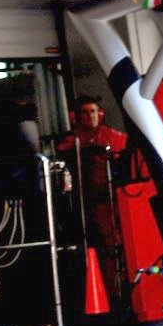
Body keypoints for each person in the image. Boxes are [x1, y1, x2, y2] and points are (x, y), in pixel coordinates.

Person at [56, 95, 129, 303]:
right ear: (76, 117)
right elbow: (64, 149)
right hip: (84, 205)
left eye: (93, 112)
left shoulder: (110, 136)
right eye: (85, 112)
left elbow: (125, 148)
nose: (90, 116)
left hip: (111, 202)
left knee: (115, 247)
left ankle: (119, 290)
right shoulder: (73, 139)